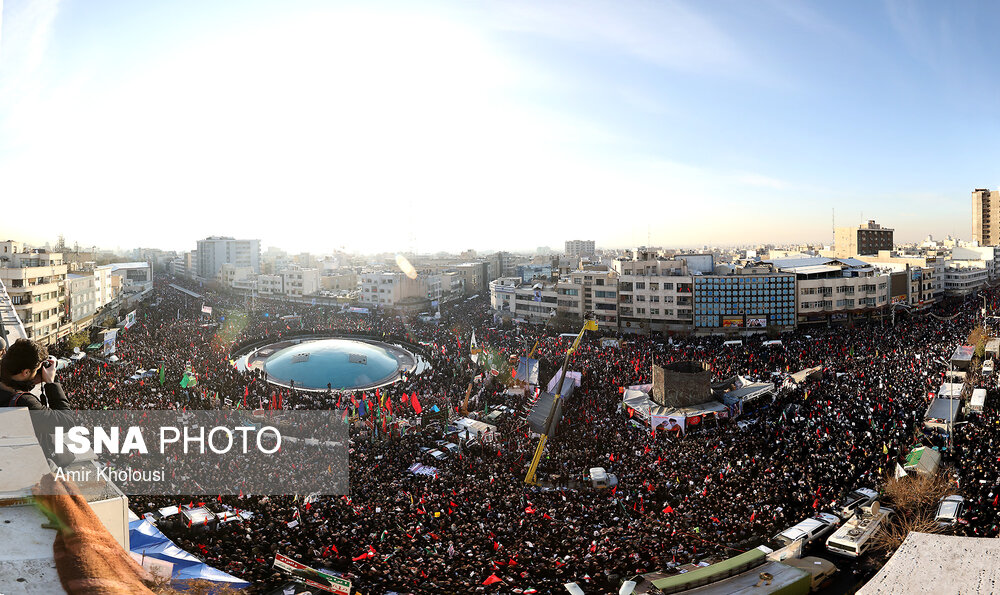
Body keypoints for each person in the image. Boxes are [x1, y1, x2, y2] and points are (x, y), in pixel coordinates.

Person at [0, 338, 75, 465]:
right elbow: (67, 421)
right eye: (37, 369)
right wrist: (51, 383)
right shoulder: (23, 401)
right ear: (25, 372)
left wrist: (31, 379)